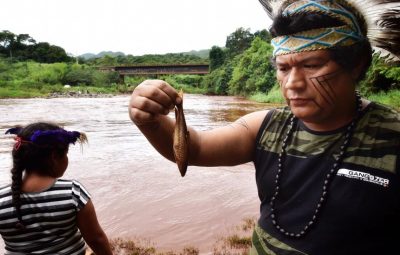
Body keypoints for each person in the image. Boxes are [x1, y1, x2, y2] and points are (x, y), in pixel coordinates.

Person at [128, 0, 400, 254]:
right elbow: (194, 149)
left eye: (312, 65)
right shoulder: (266, 126)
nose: (292, 83)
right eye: (283, 68)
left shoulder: (393, 137)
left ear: (357, 64)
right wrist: (149, 121)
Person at [1, 122, 113, 255]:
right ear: (54, 157)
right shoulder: (73, 192)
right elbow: (96, 239)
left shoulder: (2, 199)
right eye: (66, 154)